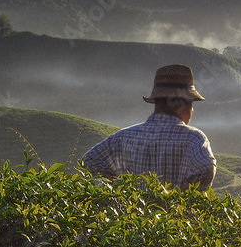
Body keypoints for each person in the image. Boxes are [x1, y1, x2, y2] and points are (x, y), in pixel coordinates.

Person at [83, 64, 216, 191]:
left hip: (131, 213)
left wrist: (121, 188)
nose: (192, 110)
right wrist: (184, 197)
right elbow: (206, 167)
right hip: (175, 213)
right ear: (180, 103)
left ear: (156, 102)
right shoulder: (193, 139)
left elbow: (89, 161)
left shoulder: (123, 137)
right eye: (191, 104)